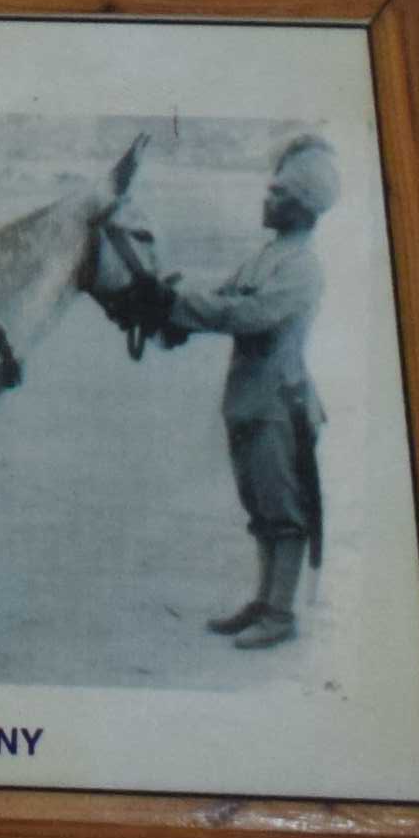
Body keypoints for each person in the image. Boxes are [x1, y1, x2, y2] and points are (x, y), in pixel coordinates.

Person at [149, 134, 338, 645]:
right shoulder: (268, 257)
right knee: (261, 508)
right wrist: (169, 304)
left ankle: (279, 615)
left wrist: (170, 306)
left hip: (281, 405)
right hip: (252, 401)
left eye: (277, 195)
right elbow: (220, 298)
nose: (266, 200)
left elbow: (246, 314)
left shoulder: (301, 268)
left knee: (283, 512)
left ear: (301, 207)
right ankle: (264, 601)